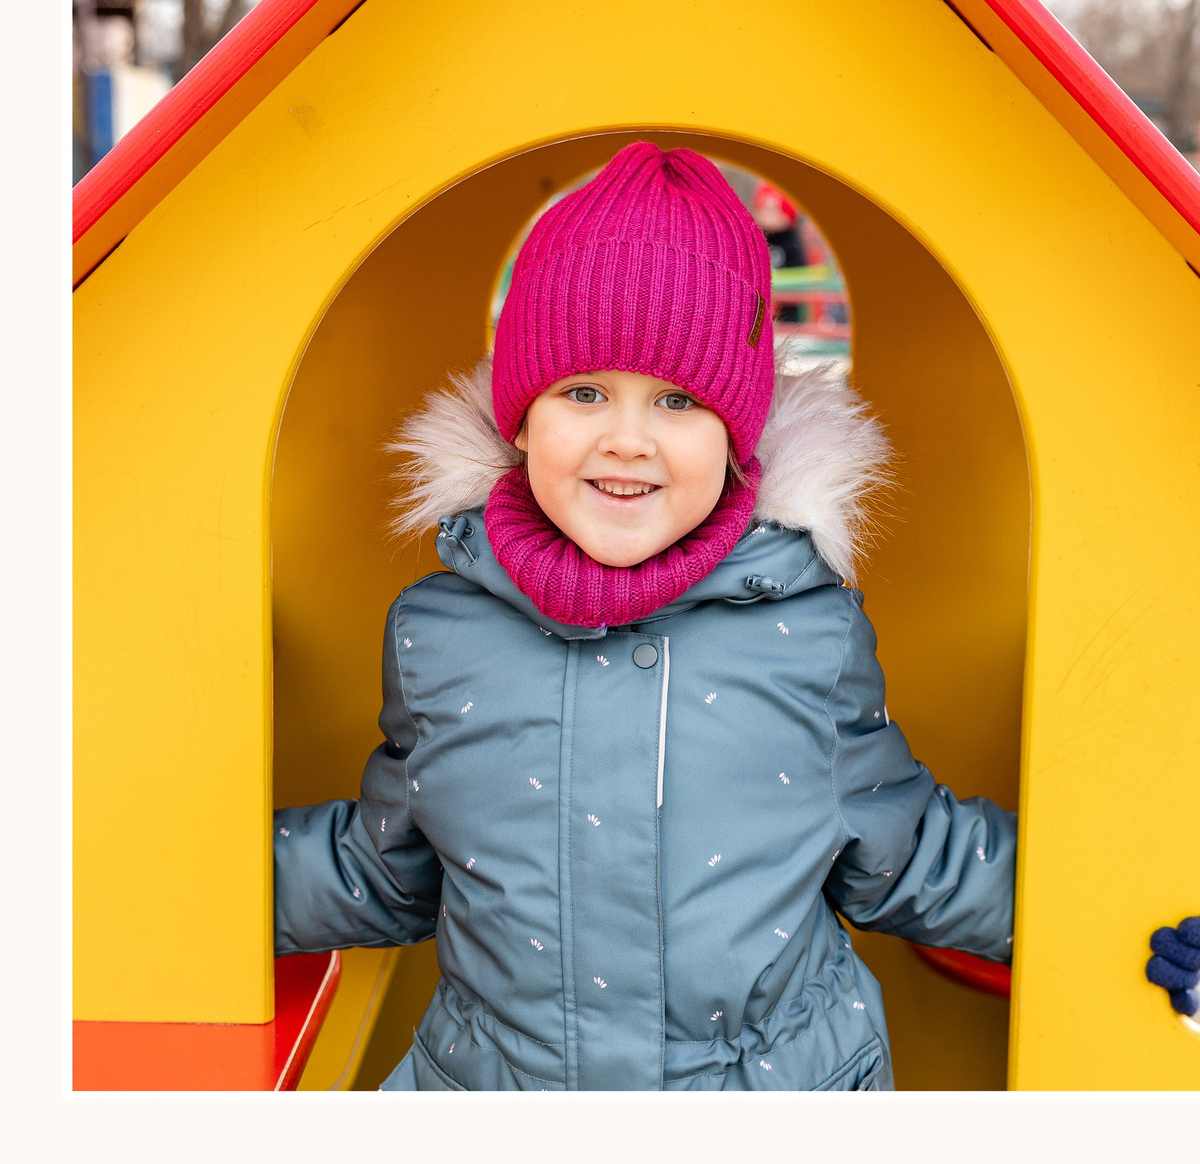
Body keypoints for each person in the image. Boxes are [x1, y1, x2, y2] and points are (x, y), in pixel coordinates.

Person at [271, 142, 1013, 1090]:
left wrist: (1116, 912)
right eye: (584, 392)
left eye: (676, 400)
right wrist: (167, 889)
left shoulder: (804, 631)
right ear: (521, 418)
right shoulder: (441, 632)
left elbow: (904, 852)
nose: (626, 437)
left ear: (736, 436)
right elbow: (391, 866)